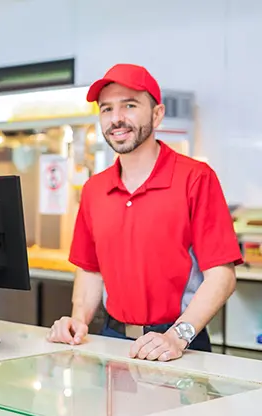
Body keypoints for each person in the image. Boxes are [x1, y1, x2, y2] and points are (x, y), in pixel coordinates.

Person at [47, 64, 242, 362]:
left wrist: (178, 337)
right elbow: (90, 269)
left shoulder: (196, 179)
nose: (116, 119)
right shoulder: (94, 190)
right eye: (107, 109)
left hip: (180, 344)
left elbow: (222, 276)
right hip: (111, 341)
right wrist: (78, 321)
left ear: (157, 114)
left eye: (129, 105)